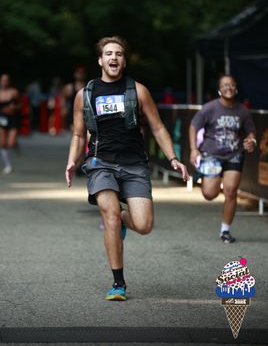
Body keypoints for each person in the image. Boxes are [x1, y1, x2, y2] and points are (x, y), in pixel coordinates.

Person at [65, 36, 189, 301]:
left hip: (134, 164)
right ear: (100, 60)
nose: (113, 58)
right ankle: (118, 283)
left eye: (119, 54)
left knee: (144, 225)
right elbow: (78, 135)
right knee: (108, 214)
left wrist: (173, 158)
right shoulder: (85, 94)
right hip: (101, 163)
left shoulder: (138, 91)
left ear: (124, 60)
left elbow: (157, 127)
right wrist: (72, 161)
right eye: (108, 53)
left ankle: (123, 218)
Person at [189, 74, 257, 243]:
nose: (229, 87)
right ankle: (207, 176)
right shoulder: (210, 108)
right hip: (212, 155)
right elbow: (193, 126)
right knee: (209, 194)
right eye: (225, 85)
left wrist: (252, 141)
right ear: (219, 89)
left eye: (232, 85)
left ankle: (225, 230)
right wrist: (193, 149)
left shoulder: (242, 111)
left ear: (236, 88)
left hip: (234, 154)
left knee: (230, 191)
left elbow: (251, 132)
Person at [0, 74, 21, 174]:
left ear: (9, 81)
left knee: (11, 143)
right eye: (2, 80)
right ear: (0, 82)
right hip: (1, 118)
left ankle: (15, 143)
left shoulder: (14, 92)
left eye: (6, 80)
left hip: (13, 118)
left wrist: (15, 107)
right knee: (3, 143)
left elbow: (20, 105)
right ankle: (8, 165)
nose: (4, 82)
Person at [62, 65, 87, 131]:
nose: (80, 74)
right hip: (73, 114)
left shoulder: (88, 86)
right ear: (75, 74)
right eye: (78, 72)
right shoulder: (69, 87)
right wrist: (64, 108)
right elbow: (63, 97)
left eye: (82, 72)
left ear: (84, 74)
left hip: (85, 113)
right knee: (76, 134)